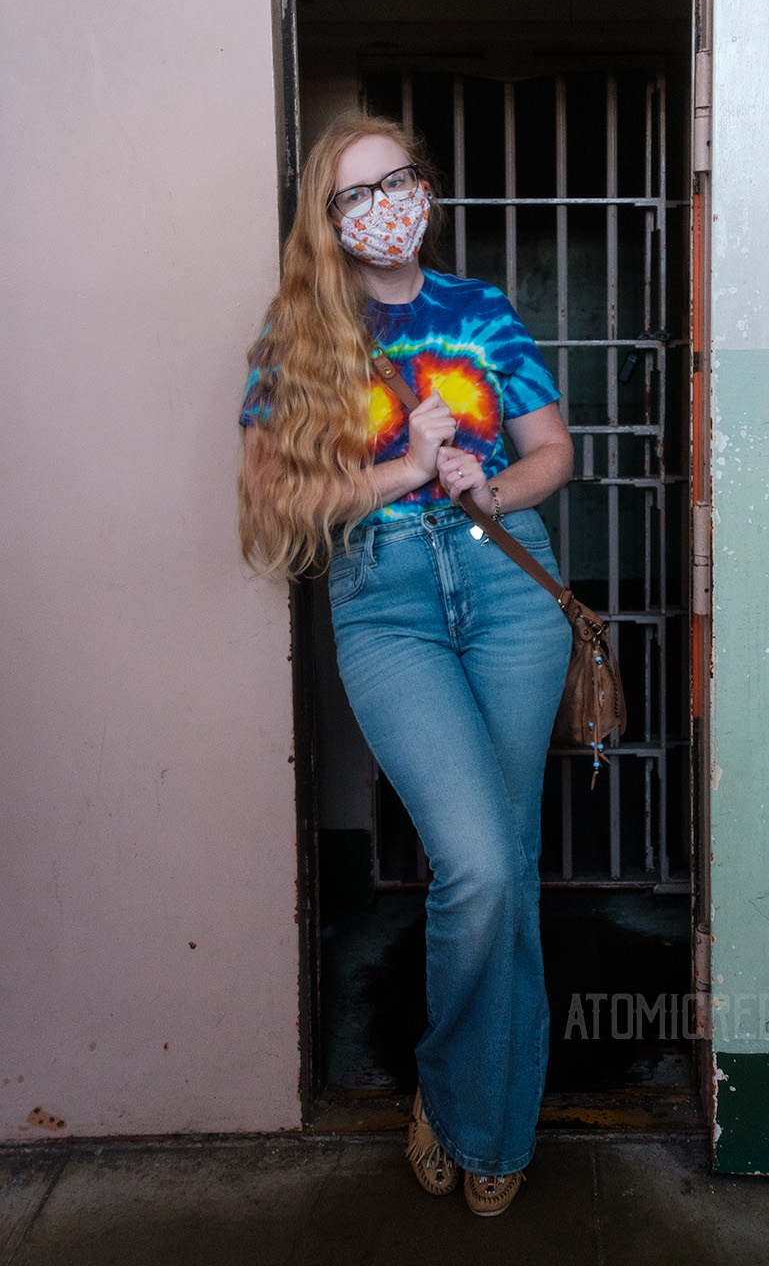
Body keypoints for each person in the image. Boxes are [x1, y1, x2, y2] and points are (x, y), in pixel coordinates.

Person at [238, 109, 573, 1216]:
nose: (386, 205)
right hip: (385, 601)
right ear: (327, 222)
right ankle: (451, 1085)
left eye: (400, 181)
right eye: (356, 194)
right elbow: (272, 505)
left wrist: (484, 486)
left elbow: (551, 454)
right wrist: (405, 469)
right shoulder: (300, 339)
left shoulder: (479, 311)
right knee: (474, 865)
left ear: (423, 191)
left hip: (503, 583)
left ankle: (487, 1125)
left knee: (508, 865)